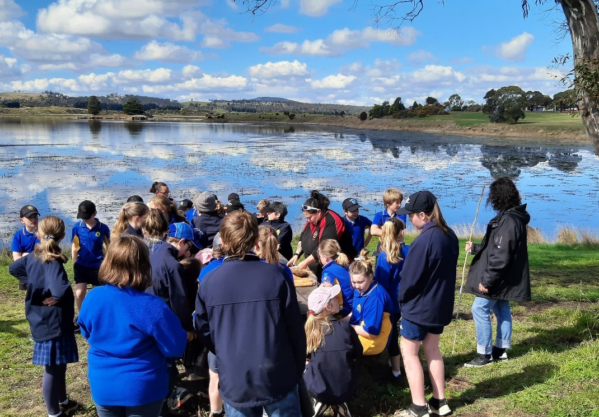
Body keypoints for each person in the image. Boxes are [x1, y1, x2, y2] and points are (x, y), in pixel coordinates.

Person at [195, 211, 306, 417]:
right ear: (256, 240)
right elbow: (295, 329)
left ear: (224, 242)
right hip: (277, 373)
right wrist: (296, 368)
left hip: (235, 376)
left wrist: (226, 351)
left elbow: (204, 331)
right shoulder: (277, 276)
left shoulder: (209, 282)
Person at [78, 236, 187, 417]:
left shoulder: (92, 297)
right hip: (143, 387)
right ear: (143, 265)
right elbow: (175, 347)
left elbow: (86, 332)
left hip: (103, 383)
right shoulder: (153, 305)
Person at [395, 191, 458, 417]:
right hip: (439, 306)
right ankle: (440, 402)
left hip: (418, 308)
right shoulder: (450, 235)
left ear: (422, 214)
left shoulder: (424, 240)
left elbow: (409, 279)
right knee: (433, 350)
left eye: (411, 215)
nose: (410, 220)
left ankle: (418, 407)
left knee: (410, 354)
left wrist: (402, 300)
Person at [9, 216, 79, 417]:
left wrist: (32, 284)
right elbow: (58, 289)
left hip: (42, 319)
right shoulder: (52, 260)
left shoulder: (33, 255)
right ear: (62, 235)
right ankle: (53, 413)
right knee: (52, 369)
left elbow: (13, 268)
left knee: (59, 365)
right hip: (53, 323)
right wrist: (55, 296)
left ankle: (63, 401)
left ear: (38, 234)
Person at [464, 177, 531, 367]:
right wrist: (477, 248)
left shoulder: (509, 220)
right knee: (501, 309)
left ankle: (484, 355)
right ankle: (500, 350)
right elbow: (498, 247)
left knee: (479, 308)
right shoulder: (512, 217)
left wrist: (487, 281)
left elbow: (501, 255)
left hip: (499, 276)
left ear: (498, 197)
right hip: (506, 276)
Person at [304, 285, 362, 416]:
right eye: (334, 298)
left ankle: (319, 402)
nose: (338, 300)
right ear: (328, 307)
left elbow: (305, 357)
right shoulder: (346, 328)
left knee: (307, 363)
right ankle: (340, 405)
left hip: (318, 389)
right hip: (346, 388)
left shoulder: (309, 331)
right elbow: (358, 353)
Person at [288, 190, 356, 279]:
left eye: (309, 217)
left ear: (319, 212)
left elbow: (323, 247)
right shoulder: (312, 220)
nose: (308, 220)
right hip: (315, 266)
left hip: (335, 267)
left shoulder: (332, 221)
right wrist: (296, 255)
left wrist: (304, 263)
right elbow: (303, 238)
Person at [375, 217, 410, 383]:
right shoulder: (409, 251)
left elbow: (380, 283)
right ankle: (399, 364)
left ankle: (396, 371)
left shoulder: (384, 257)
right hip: (407, 300)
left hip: (390, 302)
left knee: (392, 334)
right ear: (401, 232)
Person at [348, 252, 394, 356]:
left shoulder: (375, 298)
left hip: (375, 340)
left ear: (370, 277)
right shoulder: (361, 289)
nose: (356, 286)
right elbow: (356, 311)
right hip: (361, 327)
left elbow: (372, 333)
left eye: (360, 282)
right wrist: (342, 321)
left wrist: (349, 327)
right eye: (353, 282)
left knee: (340, 346)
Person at [71, 200, 110, 315]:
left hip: (98, 266)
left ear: (95, 213)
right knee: (79, 293)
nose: (85, 219)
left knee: (97, 295)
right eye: (82, 217)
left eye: (87, 216)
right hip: (81, 265)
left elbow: (109, 247)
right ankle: (81, 317)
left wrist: (107, 263)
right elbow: (74, 246)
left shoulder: (103, 228)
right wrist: (75, 263)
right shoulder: (76, 228)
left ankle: (97, 316)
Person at [318, 239, 353, 318]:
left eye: (320, 256)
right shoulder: (345, 265)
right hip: (353, 307)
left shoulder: (328, 272)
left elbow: (326, 294)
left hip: (343, 312)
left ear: (326, 257)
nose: (319, 259)